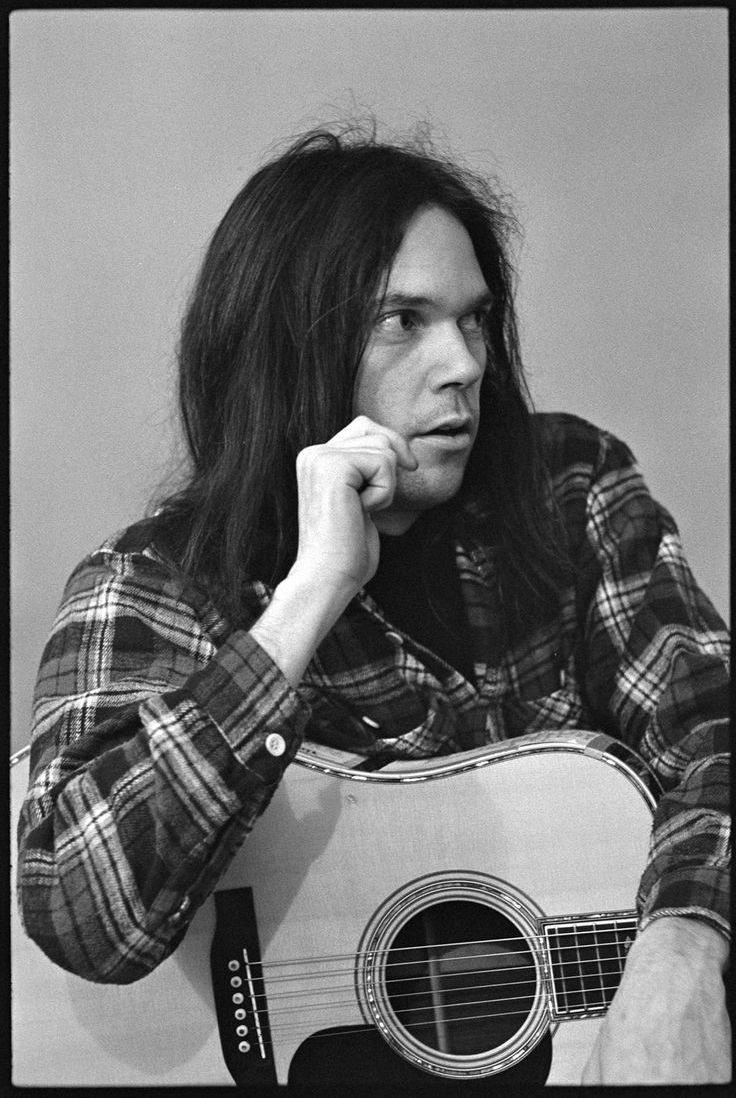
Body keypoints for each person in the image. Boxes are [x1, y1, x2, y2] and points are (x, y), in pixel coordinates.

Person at [16, 122, 730, 1085]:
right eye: (404, 320)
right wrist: (307, 602)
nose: (465, 363)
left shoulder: (572, 486)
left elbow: (713, 731)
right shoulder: (149, 587)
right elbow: (74, 905)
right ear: (289, 348)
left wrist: (682, 950)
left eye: (474, 319)